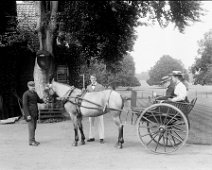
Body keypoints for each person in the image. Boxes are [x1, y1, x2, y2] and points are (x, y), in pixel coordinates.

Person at [22, 81, 45, 146]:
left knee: (34, 127)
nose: (33, 87)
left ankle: (33, 140)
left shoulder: (35, 93)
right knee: (31, 127)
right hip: (29, 114)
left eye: (34, 86)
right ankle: (31, 141)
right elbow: (24, 105)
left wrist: (44, 100)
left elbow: (39, 100)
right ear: (28, 86)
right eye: (31, 86)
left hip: (35, 113)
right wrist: (27, 115)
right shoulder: (26, 94)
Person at [86, 74, 105, 144]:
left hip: (99, 107)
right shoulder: (88, 87)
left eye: (93, 78)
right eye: (91, 78)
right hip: (91, 108)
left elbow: (103, 97)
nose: (92, 80)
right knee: (91, 122)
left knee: (100, 122)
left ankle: (101, 138)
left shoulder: (101, 87)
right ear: (90, 79)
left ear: (96, 79)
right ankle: (91, 137)